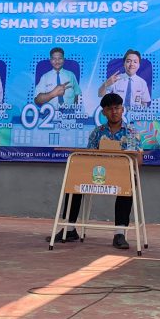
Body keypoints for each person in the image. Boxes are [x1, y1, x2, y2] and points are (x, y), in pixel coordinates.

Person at [57, 92, 137, 250]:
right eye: (109, 109)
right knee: (75, 180)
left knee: (128, 181)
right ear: (104, 112)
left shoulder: (131, 132)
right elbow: (89, 157)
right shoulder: (97, 132)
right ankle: (69, 229)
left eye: (117, 108)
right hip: (98, 173)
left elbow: (137, 161)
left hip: (121, 175)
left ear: (122, 110)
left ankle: (119, 233)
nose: (114, 112)